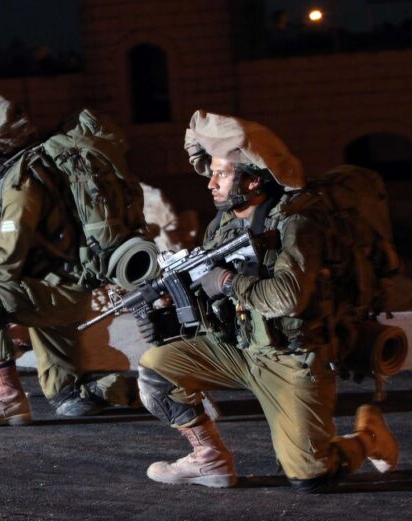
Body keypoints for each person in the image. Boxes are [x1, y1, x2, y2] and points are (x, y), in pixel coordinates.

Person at [136, 110, 398, 491]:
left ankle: (368, 438)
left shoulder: (296, 223)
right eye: (212, 173)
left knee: (310, 476)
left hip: (292, 358)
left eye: (222, 174)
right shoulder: (223, 225)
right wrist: (166, 316)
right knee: (156, 369)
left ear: (253, 179)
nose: (211, 183)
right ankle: (209, 459)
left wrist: (226, 281)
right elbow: (211, 302)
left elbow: (287, 297)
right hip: (242, 350)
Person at [0, 88, 137, 425]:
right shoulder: (6, 173)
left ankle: (7, 398)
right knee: (69, 398)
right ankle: (157, 390)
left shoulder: (19, 181)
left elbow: (7, 259)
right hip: (55, 284)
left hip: (57, 292)